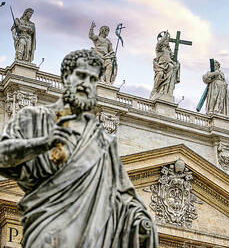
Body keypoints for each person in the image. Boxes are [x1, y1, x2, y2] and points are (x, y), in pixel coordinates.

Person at [0, 49, 158, 248]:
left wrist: (139, 219)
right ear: (66, 77)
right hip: (48, 231)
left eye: (92, 79)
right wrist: (43, 143)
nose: (86, 83)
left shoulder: (102, 140)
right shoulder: (33, 117)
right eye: (81, 76)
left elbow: (123, 194)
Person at [150, 31, 180, 100]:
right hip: (161, 66)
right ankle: (156, 90)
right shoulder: (159, 49)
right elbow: (159, 44)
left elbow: (173, 58)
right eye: (165, 40)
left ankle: (165, 91)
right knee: (160, 74)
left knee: (171, 68)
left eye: (167, 40)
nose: (167, 41)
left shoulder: (169, 51)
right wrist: (165, 36)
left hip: (169, 66)